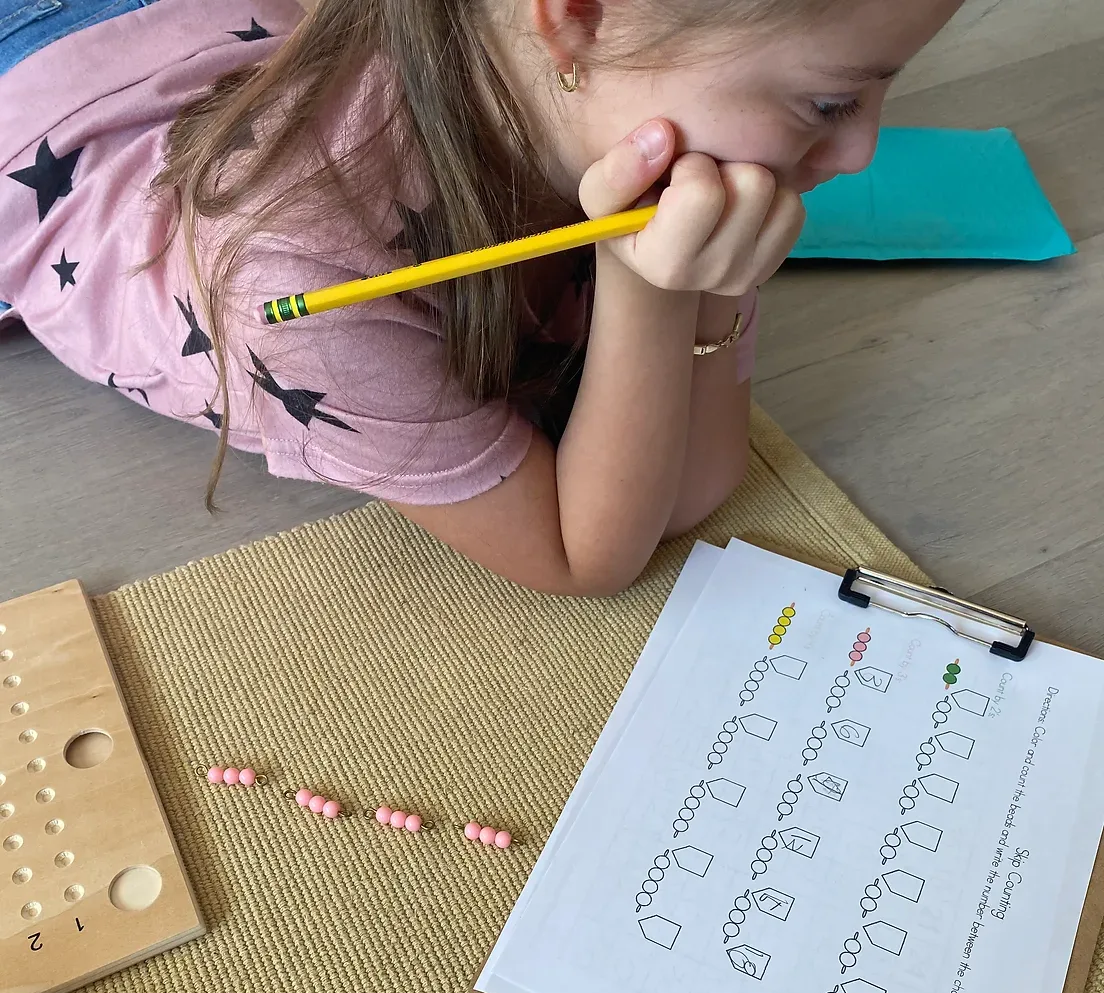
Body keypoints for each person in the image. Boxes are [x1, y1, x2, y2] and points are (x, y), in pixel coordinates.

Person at [0, 0, 961, 594]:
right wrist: (648, 289)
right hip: (39, 106)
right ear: (578, 16)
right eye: (831, 103)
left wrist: (706, 287)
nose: (863, 153)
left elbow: (698, 489)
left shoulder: (578, 89)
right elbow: (586, 559)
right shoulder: (299, 279)